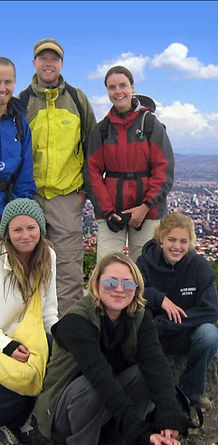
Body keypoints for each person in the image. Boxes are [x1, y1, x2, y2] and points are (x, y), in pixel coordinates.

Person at [34, 252, 191, 445]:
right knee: (90, 386)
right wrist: (140, 434)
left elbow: (156, 365)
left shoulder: (140, 317)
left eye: (127, 284)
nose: (119, 289)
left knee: (143, 374)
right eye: (110, 282)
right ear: (96, 284)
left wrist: (168, 420)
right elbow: (101, 378)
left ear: (136, 289)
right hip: (64, 412)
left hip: (108, 407)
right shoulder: (76, 321)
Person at [19, 38, 96, 315]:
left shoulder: (77, 99)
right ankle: (31, 328)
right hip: (31, 195)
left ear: (61, 64)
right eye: (43, 58)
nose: (48, 63)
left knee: (68, 267)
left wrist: (84, 191)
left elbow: (93, 146)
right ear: (34, 63)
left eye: (54, 58)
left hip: (67, 197)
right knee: (27, 262)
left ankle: (68, 333)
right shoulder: (23, 102)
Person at [86, 65, 174, 263]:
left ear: (132, 87)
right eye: (112, 87)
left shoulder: (150, 125)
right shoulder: (102, 130)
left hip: (148, 210)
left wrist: (145, 206)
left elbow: (164, 170)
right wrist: (108, 212)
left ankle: (141, 296)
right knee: (106, 265)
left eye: (122, 85)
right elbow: (92, 172)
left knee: (145, 267)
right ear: (107, 91)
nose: (118, 92)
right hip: (111, 210)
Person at [136, 211, 218, 409]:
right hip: (154, 332)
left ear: (190, 242)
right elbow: (135, 292)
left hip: (184, 331)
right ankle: (143, 390)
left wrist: (170, 322)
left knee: (209, 335)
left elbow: (210, 311)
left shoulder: (200, 268)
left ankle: (190, 391)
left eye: (183, 241)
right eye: (171, 239)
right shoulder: (145, 262)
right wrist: (159, 299)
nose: (177, 247)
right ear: (161, 238)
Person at [0, 197, 58, 445]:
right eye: (17, 229)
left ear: (41, 228)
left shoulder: (48, 256)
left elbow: (48, 310)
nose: (25, 235)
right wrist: (7, 346)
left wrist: (59, 342)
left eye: (31, 227)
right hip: (4, 341)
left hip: (28, 337)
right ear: (7, 234)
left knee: (51, 357)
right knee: (20, 375)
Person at [0, 57, 35, 216]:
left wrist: (17, 210)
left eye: (7, 82)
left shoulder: (19, 122)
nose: (2, 88)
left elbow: (25, 174)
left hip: (8, 206)